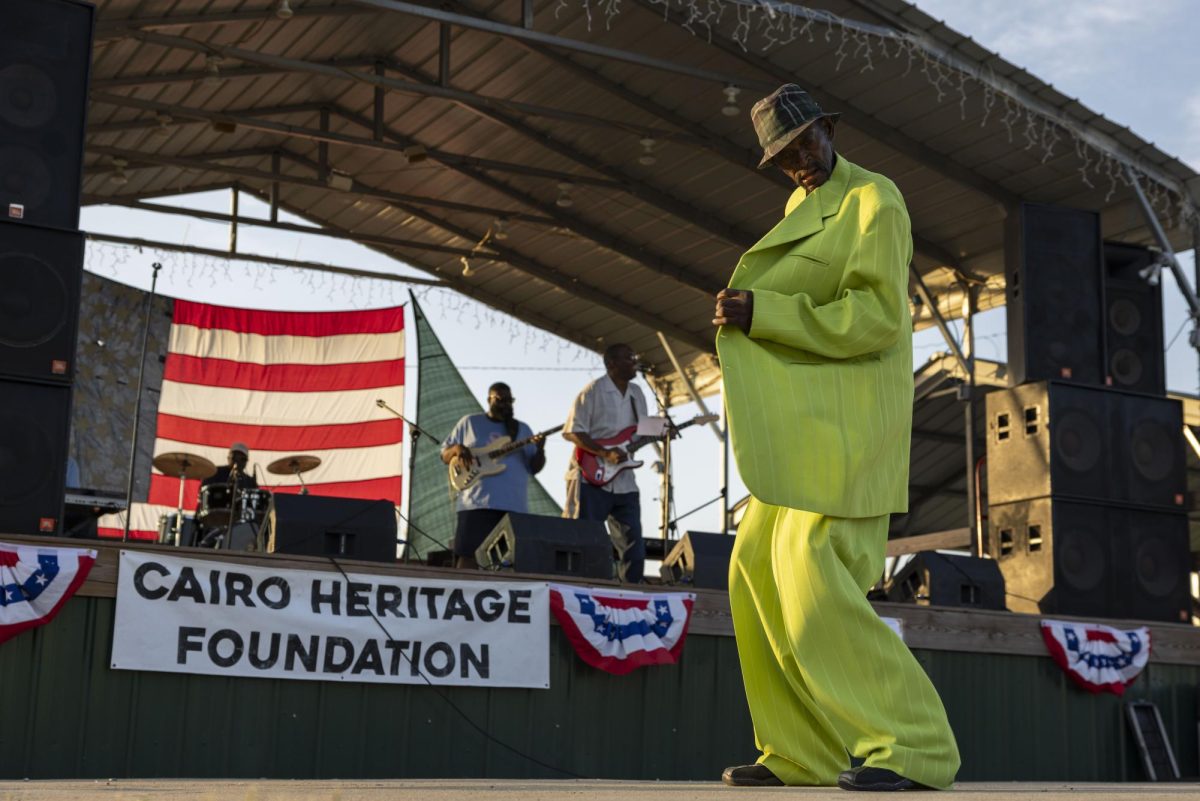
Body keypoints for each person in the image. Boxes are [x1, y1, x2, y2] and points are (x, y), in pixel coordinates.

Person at [712, 84, 960, 791]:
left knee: (811, 575)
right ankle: (802, 752)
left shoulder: (876, 201)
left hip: (849, 434)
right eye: (783, 157)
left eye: (802, 145)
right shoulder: (802, 208)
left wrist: (765, 311)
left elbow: (877, 316)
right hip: (798, 438)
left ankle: (914, 746)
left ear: (829, 128)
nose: (796, 163)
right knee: (752, 566)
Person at [562, 343, 650, 583]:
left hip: (624, 481)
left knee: (633, 546)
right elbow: (572, 432)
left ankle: (631, 592)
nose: (634, 360)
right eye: (628, 356)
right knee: (587, 540)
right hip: (592, 478)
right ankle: (584, 587)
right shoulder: (592, 391)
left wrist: (663, 431)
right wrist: (605, 453)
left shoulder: (637, 393)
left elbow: (640, 432)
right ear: (611, 364)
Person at [441, 383, 547, 569]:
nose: (506, 404)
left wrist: (540, 448)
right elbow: (444, 455)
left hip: (513, 506)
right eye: (500, 399)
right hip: (476, 504)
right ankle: (462, 593)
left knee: (510, 561)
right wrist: (457, 449)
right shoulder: (469, 423)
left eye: (509, 400)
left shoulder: (522, 430)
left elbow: (534, 468)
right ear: (489, 400)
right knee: (468, 557)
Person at [197, 442, 258, 547]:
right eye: (235, 456)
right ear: (228, 457)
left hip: (239, 522)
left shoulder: (250, 482)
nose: (238, 461)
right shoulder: (214, 473)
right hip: (214, 519)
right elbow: (203, 494)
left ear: (246, 462)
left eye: (242, 459)